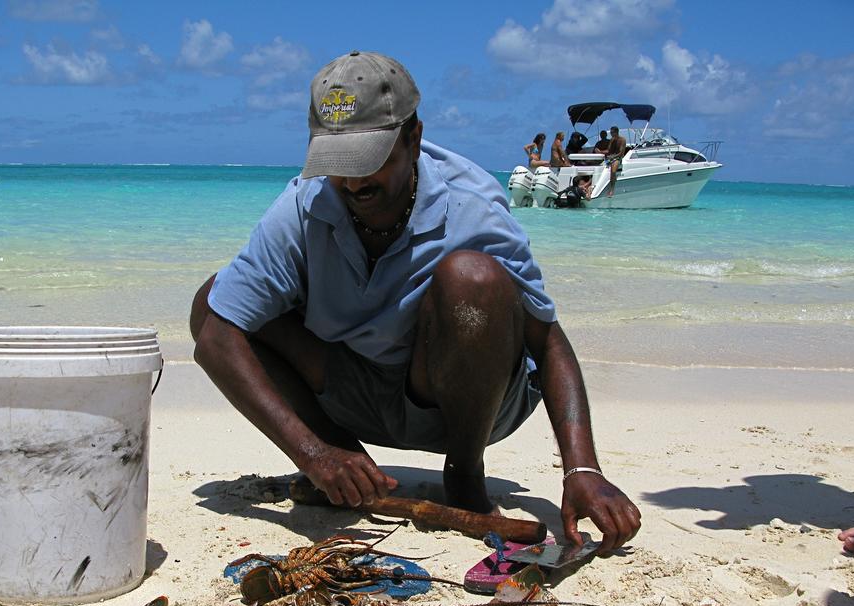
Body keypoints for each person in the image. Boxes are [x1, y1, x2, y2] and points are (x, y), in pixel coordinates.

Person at [189, 51, 640, 554]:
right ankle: (348, 468)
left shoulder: (473, 207)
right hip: (354, 390)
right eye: (339, 166)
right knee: (215, 300)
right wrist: (313, 454)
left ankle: (464, 472)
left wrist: (583, 469)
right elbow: (215, 337)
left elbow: (549, 343)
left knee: (472, 279)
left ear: (414, 138)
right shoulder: (305, 203)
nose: (355, 183)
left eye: (371, 162)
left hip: (463, 400)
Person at [605, 125, 629, 198]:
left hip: (618, 158)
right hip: (611, 157)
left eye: (612, 133)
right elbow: (609, 150)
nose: (611, 134)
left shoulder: (622, 140)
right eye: (611, 133)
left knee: (613, 170)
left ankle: (612, 189)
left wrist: (613, 157)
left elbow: (621, 153)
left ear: (616, 132)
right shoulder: (612, 140)